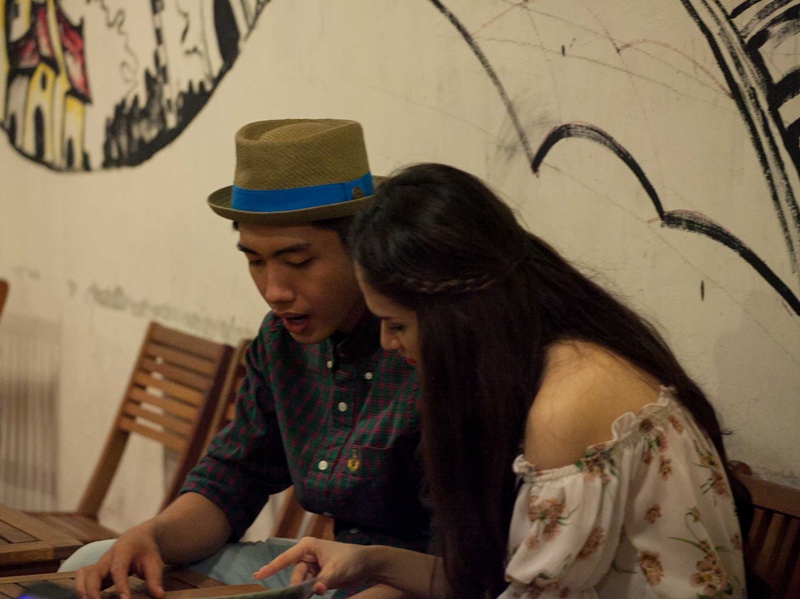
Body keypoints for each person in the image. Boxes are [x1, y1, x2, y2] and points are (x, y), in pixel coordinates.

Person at [255, 163, 750, 598]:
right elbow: (488, 582)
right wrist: (373, 561)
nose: (386, 343)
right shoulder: (550, 360)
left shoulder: (568, 403)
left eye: (397, 324)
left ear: (455, 313)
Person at [67, 120, 431, 599]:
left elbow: (465, 561)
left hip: (414, 582)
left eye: (298, 262)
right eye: (255, 261)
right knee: (90, 562)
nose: (274, 291)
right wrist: (151, 536)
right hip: (320, 570)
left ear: (364, 246)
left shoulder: (421, 345)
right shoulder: (281, 341)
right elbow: (232, 477)